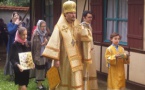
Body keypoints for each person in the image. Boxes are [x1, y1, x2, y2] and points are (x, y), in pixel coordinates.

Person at [42, 1, 90, 90]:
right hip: (63, 60)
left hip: (77, 59)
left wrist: (86, 33)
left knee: (76, 80)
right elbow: (55, 43)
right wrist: (56, 60)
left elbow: (85, 39)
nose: (73, 15)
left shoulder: (77, 24)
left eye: (74, 13)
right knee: (64, 80)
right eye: (71, 13)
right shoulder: (59, 26)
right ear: (65, 14)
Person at [30, 20, 51, 90]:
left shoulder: (44, 33)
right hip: (38, 55)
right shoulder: (36, 33)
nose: (44, 28)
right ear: (39, 26)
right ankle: (39, 86)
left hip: (44, 54)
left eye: (45, 26)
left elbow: (47, 41)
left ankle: (40, 83)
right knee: (39, 69)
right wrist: (43, 43)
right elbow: (35, 46)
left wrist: (46, 41)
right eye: (42, 26)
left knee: (42, 69)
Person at [81, 10, 98, 90]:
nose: (90, 19)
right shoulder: (82, 26)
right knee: (86, 68)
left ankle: (90, 87)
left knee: (91, 68)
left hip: (91, 49)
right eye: (89, 17)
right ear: (84, 17)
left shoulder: (89, 25)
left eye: (91, 17)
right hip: (85, 50)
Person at [4, 11, 21, 77]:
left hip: (18, 46)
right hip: (11, 46)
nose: (16, 17)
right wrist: (16, 25)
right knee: (11, 60)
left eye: (17, 15)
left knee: (18, 59)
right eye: (15, 16)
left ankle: (18, 73)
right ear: (12, 17)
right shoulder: (9, 24)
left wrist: (19, 25)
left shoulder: (20, 24)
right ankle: (11, 75)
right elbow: (10, 32)